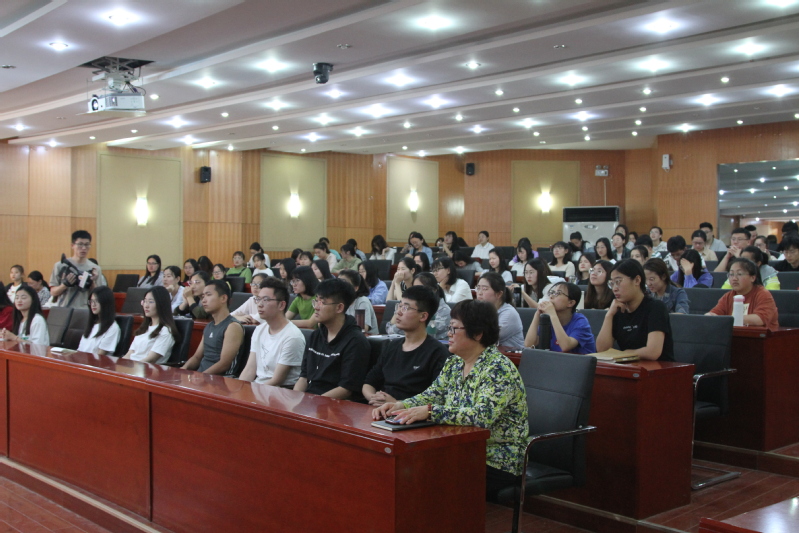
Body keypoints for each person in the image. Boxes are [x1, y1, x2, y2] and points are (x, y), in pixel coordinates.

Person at [372, 300, 528, 503]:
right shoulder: (455, 362)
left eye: (454, 328)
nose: (448, 334)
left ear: (478, 334)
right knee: (406, 464)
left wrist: (430, 412)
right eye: (449, 328)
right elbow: (433, 394)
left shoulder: (497, 368)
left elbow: (482, 417)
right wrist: (401, 405)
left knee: (423, 472)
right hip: (460, 448)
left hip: (498, 458)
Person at [363, 286, 450, 406]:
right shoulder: (391, 346)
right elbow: (369, 382)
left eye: (405, 308)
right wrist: (374, 398)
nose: (398, 312)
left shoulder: (437, 352)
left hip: (411, 413)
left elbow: (437, 398)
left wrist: (397, 404)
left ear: (423, 316)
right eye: (399, 306)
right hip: (379, 408)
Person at [294, 278, 371, 400]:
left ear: (339, 308)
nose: (316, 307)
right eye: (316, 301)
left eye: (322, 303)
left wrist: (312, 403)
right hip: (310, 401)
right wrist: (295, 400)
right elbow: (303, 377)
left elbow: (346, 389)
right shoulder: (315, 336)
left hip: (335, 404)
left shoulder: (356, 341)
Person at [597, 259, 675, 361]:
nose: (614, 288)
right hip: (629, 366)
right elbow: (602, 350)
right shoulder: (617, 310)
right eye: (612, 283)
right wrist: (609, 315)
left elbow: (653, 352)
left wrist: (623, 354)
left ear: (637, 280)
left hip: (659, 368)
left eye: (618, 282)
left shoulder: (656, 307)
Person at [238, 277, 305, 387]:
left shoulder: (292, 337)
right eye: (258, 299)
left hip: (280, 391)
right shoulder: (259, 329)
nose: (259, 304)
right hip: (259, 387)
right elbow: (250, 369)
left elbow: (277, 380)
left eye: (266, 299)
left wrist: (251, 392)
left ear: (281, 305)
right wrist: (239, 389)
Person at [183, 281, 245, 374]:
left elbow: (224, 364)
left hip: (220, 379)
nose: (203, 300)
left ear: (223, 298)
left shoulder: (233, 326)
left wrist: (200, 377)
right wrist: (181, 371)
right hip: (202, 377)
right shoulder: (209, 326)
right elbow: (196, 357)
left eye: (208, 295)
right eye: (203, 296)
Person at [524, 282, 596, 354]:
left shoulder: (580, 322)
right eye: (552, 292)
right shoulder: (549, 319)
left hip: (577, 360)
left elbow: (565, 346)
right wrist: (537, 314)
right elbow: (528, 344)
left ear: (570, 303)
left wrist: (552, 314)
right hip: (555, 360)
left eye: (558, 293)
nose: (551, 296)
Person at [708, 258, 779, 330]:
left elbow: (759, 319)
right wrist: (709, 316)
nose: (734, 278)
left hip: (760, 335)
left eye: (739, 274)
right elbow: (714, 313)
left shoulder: (763, 294)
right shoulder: (728, 296)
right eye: (731, 274)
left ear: (753, 278)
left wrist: (728, 319)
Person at [49, 230, 106, 309]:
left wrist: (92, 281)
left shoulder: (95, 269)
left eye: (87, 245)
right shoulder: (60, 265)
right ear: (72, 245)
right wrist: (65, 285)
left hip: (85, 310)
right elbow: (53, 292)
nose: (83, 248)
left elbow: (97, 296)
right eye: (80, 244)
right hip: (64, 309)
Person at [387, 273, 451, 340]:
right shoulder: (408, 306)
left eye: (421, 289)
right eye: (414, 288)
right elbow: (389, 329)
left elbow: (423, 331)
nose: (416, 293)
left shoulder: (445, 311)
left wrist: (397, 328)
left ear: (434, 290)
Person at [124, 286, 180, 363]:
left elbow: (150, 359)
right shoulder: (144, 327)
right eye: (145, 301)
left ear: (161, 304)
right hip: (132, 366)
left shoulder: (166, 331)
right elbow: (130, 353)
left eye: (150, 302)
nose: (146, 305)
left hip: (145, 368)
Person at [476, 272, 524, 349]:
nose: (479, 293)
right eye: (478, 288)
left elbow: (487, 338)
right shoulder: (480, 310)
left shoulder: (509, 313)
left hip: (510, 355)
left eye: (484, 289)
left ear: (499, 294)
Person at [78, 286, 120, 355]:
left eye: (97, 301)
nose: (93, 304)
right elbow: (80, 350)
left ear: (106, 302)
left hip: (94, 361)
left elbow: (100, 356)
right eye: (91, 301)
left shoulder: (112, 328)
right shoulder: (92, 324)